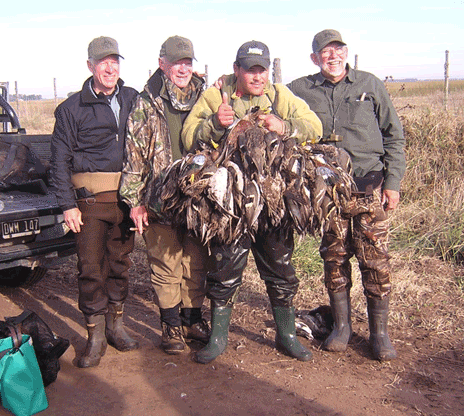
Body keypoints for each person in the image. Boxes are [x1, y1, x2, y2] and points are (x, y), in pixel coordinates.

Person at [182, 40, 323, 364]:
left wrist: (286, 126)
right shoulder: (217, 95)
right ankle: (218, 338)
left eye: (262, 70)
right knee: (224, 267)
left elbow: (315, 125)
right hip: (231, 203)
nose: (257, 76)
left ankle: (286, 334)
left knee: (280, 268)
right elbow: (188, 136)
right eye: (250, 70)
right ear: (237, 70)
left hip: (273, 201)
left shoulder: (278, 96)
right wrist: (215, 123)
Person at [288, 29, 406, 361]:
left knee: (376, 262)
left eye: (338, 50)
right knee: (334, 259)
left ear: (346, 52)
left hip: (370, 190)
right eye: (325, 52)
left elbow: (394, 136)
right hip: (328, 194)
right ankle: (342, 327)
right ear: (315, 58)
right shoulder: (300, 90)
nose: (333, 56)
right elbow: (266, 96)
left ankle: (379, 334)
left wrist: (393, 183)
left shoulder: (370, 85)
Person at [50, 36, 139, 368]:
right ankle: (95, 336)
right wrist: (66, 204)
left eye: (115, 61)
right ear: (90, 66)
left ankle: (116, 327)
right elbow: (59, 162)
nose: (110, 67)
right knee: (90, 269)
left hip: (125, 201)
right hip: (88, 204)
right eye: (103, 62)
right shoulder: (72, 109)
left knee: (120, 266)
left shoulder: (133, 99)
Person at [119, 36, 210, 355]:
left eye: (188, 63)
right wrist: (135, 202)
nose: (183, 69)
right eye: (176, 63)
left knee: (196, 262)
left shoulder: (205, 99)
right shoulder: (147, 102)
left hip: (200, 201)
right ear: (163, 64)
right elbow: (134, 155)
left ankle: (192, 320)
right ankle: (171, 326)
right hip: (159, 199)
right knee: (165, 264)